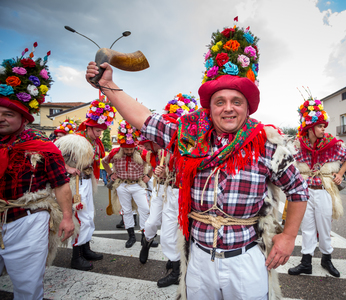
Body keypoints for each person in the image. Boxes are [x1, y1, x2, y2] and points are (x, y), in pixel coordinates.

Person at [86, 21, 309, 299]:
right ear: (210, 107)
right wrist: (107, 86)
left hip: (247, 259)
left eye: (236, 101)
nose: (228, 108)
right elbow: (146, 121)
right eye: (220, 101)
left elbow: (299, 190)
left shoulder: (267, 143)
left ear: (248, 107)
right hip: (199, 260)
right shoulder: (189, 138)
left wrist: (288, 237)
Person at [0, 46, 75, 299]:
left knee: (28, 286)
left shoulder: (44, 147)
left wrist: (67, 217)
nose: (1, 119)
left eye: (8, 114)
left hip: (27, 220)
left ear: (23, 118)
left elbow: (61, 183)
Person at [288, 92, 346, 278]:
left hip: (323, 191)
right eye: (320, 126)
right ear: (309, 127)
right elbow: (288, 161)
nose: (324, 129)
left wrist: (340, 173)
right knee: (307, 228)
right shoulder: (298, 144)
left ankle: (327, 259)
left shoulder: (332, 144)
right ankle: (305, 262)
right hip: (305, 191)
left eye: (324, 126)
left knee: (324, 226)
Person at [140, 94, 198, 288]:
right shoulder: (165, 149)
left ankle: (178, 269)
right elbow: (165, 171)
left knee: (183, 233)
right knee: (166, 232)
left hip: (185, 194)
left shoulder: (194, 144)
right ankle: (173, 262)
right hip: (170, 191)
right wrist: (163, 172)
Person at [59, 97, 116, 270]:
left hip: (87, 182)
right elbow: (54, 156)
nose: (100, 134)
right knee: (81, 217)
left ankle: (85, 248)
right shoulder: (74, 140)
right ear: (89, 126)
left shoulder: (95, 142)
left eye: (101, 131)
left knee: (89, 216)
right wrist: (68, 167)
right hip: (75, 183)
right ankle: (76, 257)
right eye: (97, 130)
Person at [102, 120, 151, 248]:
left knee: (145, 209)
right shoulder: (115, 152)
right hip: (122, 185)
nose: (129, 151)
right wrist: (110, 174)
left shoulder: (141, 152)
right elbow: (104, 162)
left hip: (138, 185)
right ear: (121, 146)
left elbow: (154, 162)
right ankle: (131, 237)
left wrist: (149, 176)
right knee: (126, 211)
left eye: (131, 149)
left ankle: (146, 237)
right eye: (126, 149)